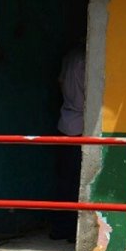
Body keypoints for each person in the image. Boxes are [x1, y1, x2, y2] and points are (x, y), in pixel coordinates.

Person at [51, 44, 85, 241]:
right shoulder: (84, 59)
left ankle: (59, 228)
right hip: (81, 126)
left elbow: (60, 82)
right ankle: (73, 231)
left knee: (64, 180)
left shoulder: (69, 56)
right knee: (75, 183)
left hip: (65, 123)